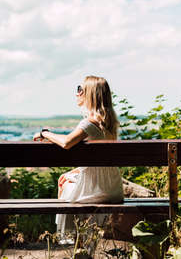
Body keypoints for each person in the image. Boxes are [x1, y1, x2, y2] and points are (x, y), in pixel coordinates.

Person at [33, 75, 124, 243]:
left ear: (90, 94)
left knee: (66, 185)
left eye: (79, 89)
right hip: (114, 187)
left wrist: (44, 133)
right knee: (66, 178)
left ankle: (75, 239)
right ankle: (83, 241)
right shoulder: (109, 123)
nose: (76, 93)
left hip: (98, 190)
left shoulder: (89, 123)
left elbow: (67, 142)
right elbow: (99, 161)